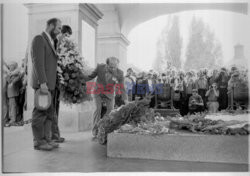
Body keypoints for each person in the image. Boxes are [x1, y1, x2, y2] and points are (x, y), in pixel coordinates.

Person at [30, 18, 62, 151]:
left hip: (50, 85)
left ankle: (47, 139)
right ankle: (38, 141)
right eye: (59, 28)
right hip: (43, 84)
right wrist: (42, 82)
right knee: (40, 112)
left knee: (49, 113)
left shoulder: (51, 41)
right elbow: (38, 63)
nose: (60, 31)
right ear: (50, 25)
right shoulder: (39, 39)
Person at [84, 57, 128, 138]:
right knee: (98, 109)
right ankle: (95, 130)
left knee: (111, 111)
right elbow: (91, 76)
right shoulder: (100, 67)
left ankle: (103, 127)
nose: (113, 69)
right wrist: (80, 79)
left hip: (109, 93)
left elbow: (122, 88)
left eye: (115, 67)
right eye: (111, 67)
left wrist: (126, 101)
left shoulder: (120, 73)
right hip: (98, 91)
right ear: (107, 65)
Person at [52, 25, 73, 143]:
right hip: (53, 80)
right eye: (65, 35)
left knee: (56, 107)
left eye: (68, 36)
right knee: (53, 108)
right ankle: (53, 135)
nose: (66, 38)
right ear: (61, 33)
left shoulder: (62, 45)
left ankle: (55, 134)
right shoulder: (55, 42)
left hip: (58, 80)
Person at [5, 61, 22, 126]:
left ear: (14, 66)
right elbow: (8, 80)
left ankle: (13, 120)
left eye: (11, 65)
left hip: (13, 93)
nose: (10, 67)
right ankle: (12, 118)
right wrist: (9, 75)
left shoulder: (17, 74)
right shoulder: (12, 74)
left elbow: (13, 82)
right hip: (10, 93)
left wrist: (10, 75)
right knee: (12, 106)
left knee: (13, 107)